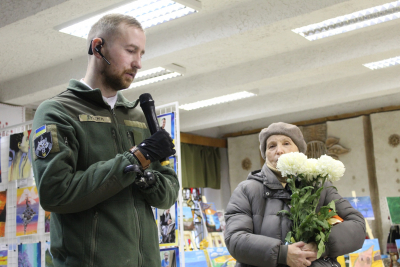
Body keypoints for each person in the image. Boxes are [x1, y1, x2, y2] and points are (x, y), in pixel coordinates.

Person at [30, 14, 179, 267]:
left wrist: (148, 180)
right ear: (98, 47)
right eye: (131, 51)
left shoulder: (138, 116)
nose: (138, 63)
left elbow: (169, 193)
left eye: (141, 53)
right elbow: (55, 193)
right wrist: (135, 160)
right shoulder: (57, 111)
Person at [224, 122, 366, 267]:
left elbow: (357, 226)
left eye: (286, 143)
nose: (279, 150)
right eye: (271, 146)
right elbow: (235, 239)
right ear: (265, 154)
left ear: (299, 151)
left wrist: (319, 246)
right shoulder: (246, 190)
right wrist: (282, 254)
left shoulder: (319, 186)